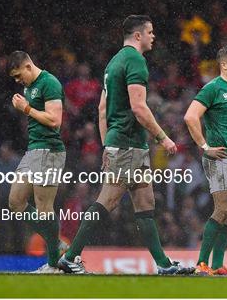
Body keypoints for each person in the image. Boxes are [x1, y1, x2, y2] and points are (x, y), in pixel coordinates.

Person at [57, 15, 192, 275]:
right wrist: (163, 137)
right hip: (129, 144)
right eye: (150, 32)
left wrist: (108, 143)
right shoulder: (135, 61)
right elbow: (139, 107)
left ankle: (163, 265)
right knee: (107, 200)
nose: (154, 36)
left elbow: (102, 108)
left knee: (145, 203)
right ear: (138, 35)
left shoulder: (113, 63)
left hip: (125, 143)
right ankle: (71, 256)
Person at [184, 45, 227, 276]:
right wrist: (205, 147)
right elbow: (190, 116)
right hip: (219, 157)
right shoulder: (212, 88)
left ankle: (217, 264)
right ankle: (201, 263)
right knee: (221, 210)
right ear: (224, 65)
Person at [7, 51, 66, 273]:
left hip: (49, 150)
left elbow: (55, 120)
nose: (17, 80)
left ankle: (53, 265)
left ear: (28, 66)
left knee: (44, 210)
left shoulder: (49, 82)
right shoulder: (28, 87)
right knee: (15, 202)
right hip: (33, 150)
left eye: (18, 75)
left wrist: (27, 109)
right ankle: (56, 243)